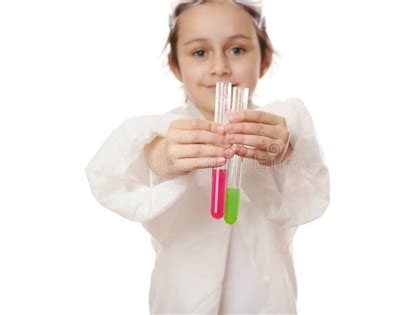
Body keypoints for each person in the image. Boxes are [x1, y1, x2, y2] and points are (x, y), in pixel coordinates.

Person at [85, 0, 330, 313]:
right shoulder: (165, 131)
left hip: (265, 301)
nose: (220, 67)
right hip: (180, 302)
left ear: (264, 59)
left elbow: (310, 184)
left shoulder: (279, 126)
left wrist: (285, 150)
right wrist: (165, 159)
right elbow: (128, 166)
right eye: (199, 52)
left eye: (237, 50)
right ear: (176, 65)